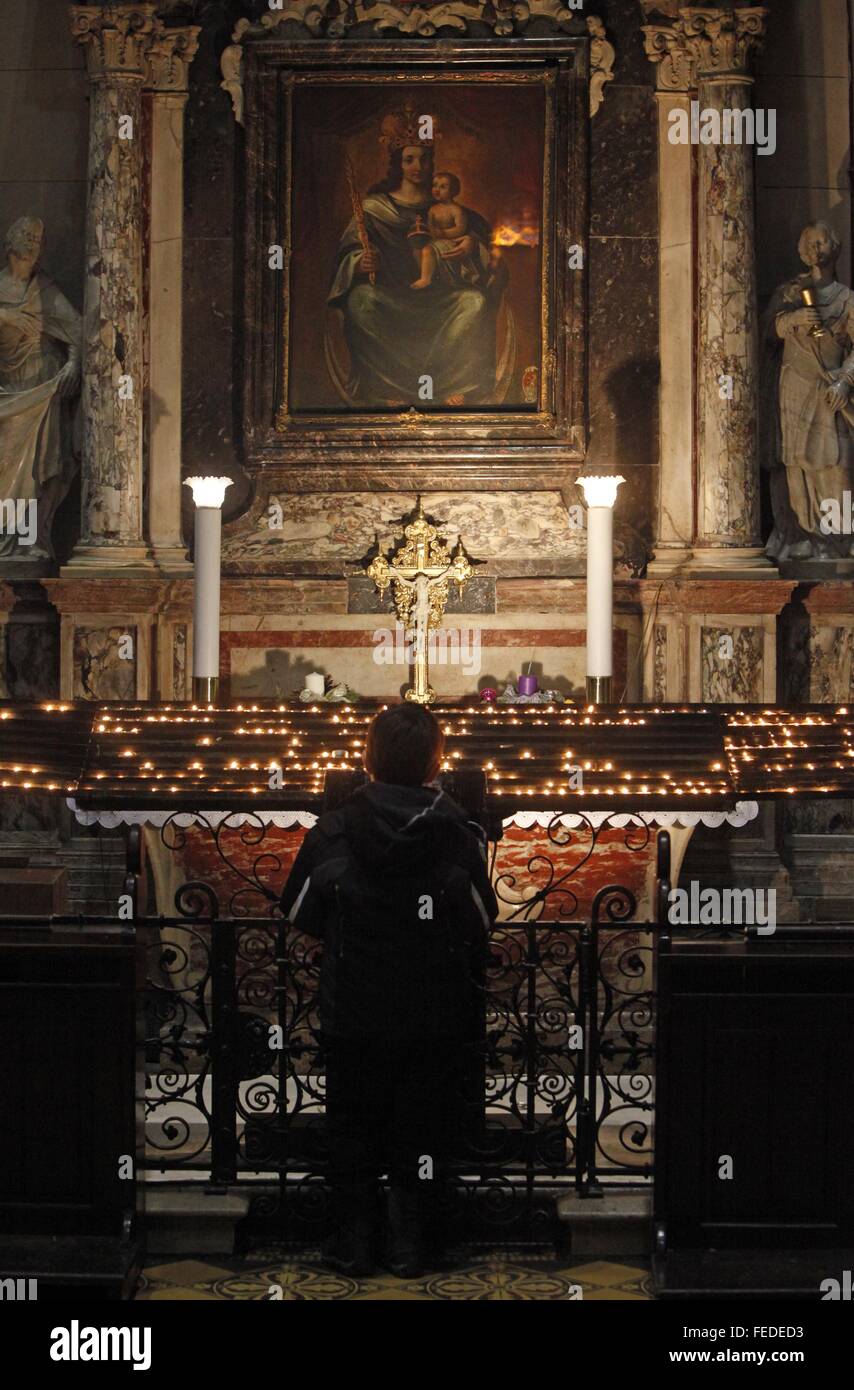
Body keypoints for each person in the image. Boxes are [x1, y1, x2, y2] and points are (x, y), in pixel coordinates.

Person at [280, 704, 497, 1277]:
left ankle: (353, 1244)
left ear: (369, 757)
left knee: (351, 1127)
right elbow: (480, 917)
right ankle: (410, 1247)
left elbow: (299, 908)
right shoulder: (453, 829)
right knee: (419, 1130)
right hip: (431, 1010)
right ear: (436, 761)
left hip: (354, 1006)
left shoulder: (337, 824)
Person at [327, 102, 500, 406]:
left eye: (424, 159)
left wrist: (474, 246)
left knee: (475, 302)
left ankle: (450, 384)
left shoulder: (457, 211)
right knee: (360, 300)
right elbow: (346, 254)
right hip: (391, 300)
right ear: (398, 163)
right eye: (409, 160)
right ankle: (391, 386)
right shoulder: (373, 209)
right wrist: (358, 262)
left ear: (433, 163)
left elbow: (492, 261)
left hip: (442, 301)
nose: (417, 166)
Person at [761, 220, 854, 561]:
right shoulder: (787, 294)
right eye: (811, 244)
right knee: (795, 464)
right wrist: (794, 319)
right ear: (802, 252)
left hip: (831, 392)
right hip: (794, 391)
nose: (817, 250)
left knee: (837, 464)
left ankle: (839, 539)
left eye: (823, 243)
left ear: (836, 248)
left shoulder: (847, 300)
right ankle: (801, 536)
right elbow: (767, 334)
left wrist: (846, 379)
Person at [411, 172, 488, 291]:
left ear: (453, 191)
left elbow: (460, 229)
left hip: (451, 242)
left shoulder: (456, 210)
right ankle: (425, 278)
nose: (437, 190)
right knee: (424, 250)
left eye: (443, 187)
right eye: (435, 185)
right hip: (435, 241)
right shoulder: (432, 209)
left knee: (429, 250)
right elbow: (430, 226)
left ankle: (427, 279)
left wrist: (442, 233)